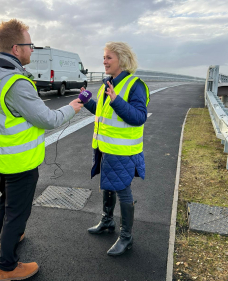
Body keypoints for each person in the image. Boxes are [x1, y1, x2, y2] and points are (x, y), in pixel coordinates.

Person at [0, 19, 83, 280]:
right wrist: (73, 108)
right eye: (29, 45)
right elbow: (48, 119)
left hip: (0, 155)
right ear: (15, 48)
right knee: (17, 211)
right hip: (19, 159)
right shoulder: (16, 83)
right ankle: (7, 267)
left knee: (6, 201)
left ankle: (10, 235)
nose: (32, 49)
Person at [81, 42, 150, 256]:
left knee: (123, 190)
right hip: (106, 147)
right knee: (108, 185)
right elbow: (103, 113)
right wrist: (86, 101)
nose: (104, 61)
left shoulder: (134, 85)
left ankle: (126, 237)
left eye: (109, 57)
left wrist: (116, 100)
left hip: (123, 151)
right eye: (104, 57)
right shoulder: (107, 84)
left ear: (122, 59)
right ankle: (107, 222)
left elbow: (138, 117)